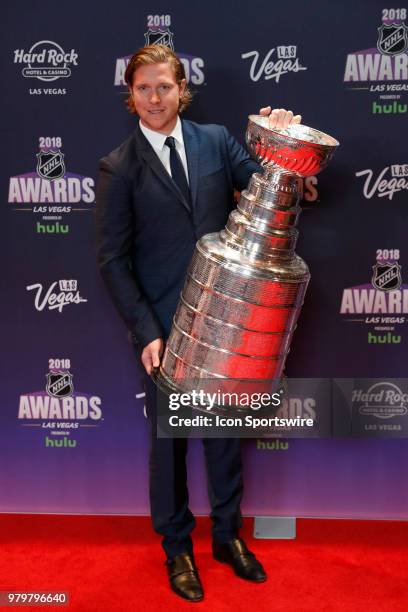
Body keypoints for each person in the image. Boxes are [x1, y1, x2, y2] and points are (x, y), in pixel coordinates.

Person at [96, 44, 301, 602]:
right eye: (143, 89)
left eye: (163, 86)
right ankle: (177, 548)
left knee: (225, 439)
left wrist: (282, 141)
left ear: (181, 88)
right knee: (170, 446)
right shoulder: (119, 166)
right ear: (130, 94)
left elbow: (271, 187)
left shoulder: (216, 141)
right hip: (166, 330)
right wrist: (147, 331)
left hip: (230, 322)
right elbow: (113, 260)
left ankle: (228, 536)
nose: (154, 98)